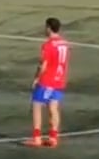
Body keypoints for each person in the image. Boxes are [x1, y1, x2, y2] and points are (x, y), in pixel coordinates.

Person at [28, 17, 69, 148]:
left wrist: (36, 78)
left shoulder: (48, 45)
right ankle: (53, 137)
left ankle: (36, 138)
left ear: (49, 28)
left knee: (37, 106)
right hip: (60, 80)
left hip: (47, 81)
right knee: (53, 107)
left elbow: (43, 65)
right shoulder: (65, 44)